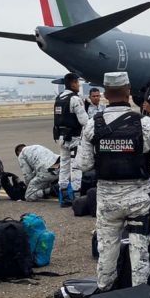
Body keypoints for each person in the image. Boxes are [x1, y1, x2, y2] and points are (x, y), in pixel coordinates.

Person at [77, 72, 150, 291]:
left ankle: (104, 291)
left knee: (107, 247)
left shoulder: (92, 125)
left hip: (108, 198)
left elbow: (84, 164)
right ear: (128, 91)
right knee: (139, 248)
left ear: (106, 94)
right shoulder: (145, 123)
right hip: (138, 196)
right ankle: (140, 296)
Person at [53, 73, 88, 205]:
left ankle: (64, 196)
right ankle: (77, 197)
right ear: (73, 83)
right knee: (76, 166)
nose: (79, 85)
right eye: (77, 82)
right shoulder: (75, 99)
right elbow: (84, 121)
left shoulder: (59, 98)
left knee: (64, 165)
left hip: (62, 137)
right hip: (74, 137)